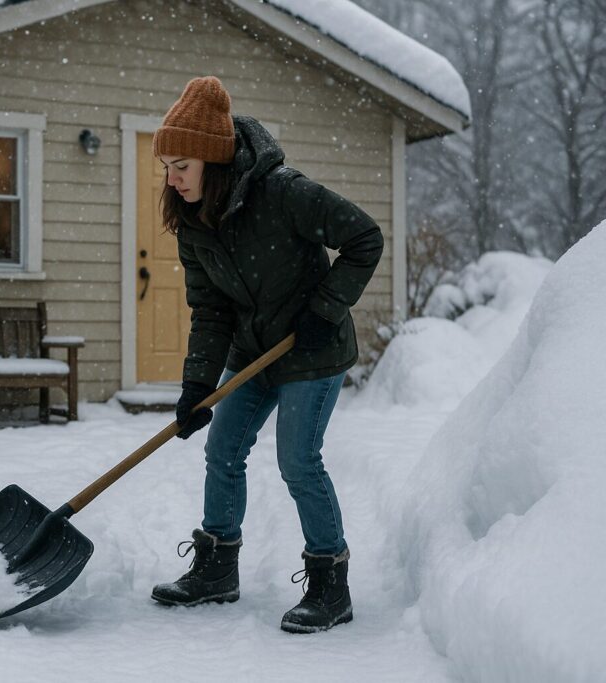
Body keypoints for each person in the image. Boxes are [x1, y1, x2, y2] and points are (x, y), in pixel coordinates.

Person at [149, 76, 384, 634]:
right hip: (253, 348)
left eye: (181, 165)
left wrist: (324, 309)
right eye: (167, 167)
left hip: (312, 348)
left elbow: (365, 238)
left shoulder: (284, 193)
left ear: (213, 161)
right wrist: (197, 386)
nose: (172, 178)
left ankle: (330, 584)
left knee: (298, 461)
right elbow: (210, 311)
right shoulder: (193, 221)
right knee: (223, 450)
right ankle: (216, 568)